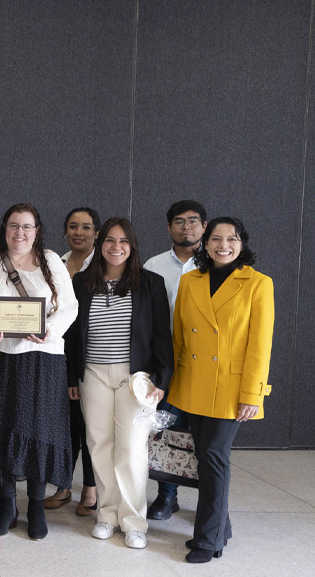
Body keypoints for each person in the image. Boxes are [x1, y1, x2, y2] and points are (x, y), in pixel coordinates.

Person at [0, 203, 78, 541]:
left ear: (37, 231)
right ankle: (7, 506)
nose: (19, 233)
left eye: (27, 227)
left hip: (42, 360)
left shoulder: (53, 262)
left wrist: (49, 330)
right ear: (5, 228)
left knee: (38, 432)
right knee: (2, 429)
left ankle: (36, 507)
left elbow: (69, 307)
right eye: (14, 226)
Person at [167, 217, 274, 564]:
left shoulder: (258, 284)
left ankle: (207, 538)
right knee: (204, 456)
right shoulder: (190, 280)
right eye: (215, 238)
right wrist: (172, 384)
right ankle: (220, 528)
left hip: (230, 388)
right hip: (193, 382)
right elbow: (180, 337)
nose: (223, 245)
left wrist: (253, 394)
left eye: (231, 239)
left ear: (242, 243)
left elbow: (260, 345)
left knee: (214, 457)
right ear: (205, 243)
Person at [63, 217, 173, 549]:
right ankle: (107, 515)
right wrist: (73, 376)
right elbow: (71, 335)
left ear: (133, 246)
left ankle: (134, 521)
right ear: (101, 243)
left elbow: (162, 337)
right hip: (93, 373)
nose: (116, 247)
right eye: (110, 240)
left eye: (124, 241)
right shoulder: (82, 282)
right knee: (98, 444)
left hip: (135, 377)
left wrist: (162, 380)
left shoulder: (150, 283)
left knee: (131, 449)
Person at [142, 199, 208, 520]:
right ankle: (167, 495)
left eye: (193, 221)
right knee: (165, 428)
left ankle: (211, 499)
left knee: (206, 433)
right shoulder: (152, 266)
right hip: (165, 360)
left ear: (204, 227)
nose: (186, 227)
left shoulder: (217, 265)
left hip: (205, 362)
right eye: (179, 221)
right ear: (168, 227)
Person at [46, 207, 101, 516]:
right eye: (72, 226)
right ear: (65, 231)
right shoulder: (56, 263)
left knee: (89, 425)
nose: (79, 232)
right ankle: (63, 484)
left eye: (86, 227)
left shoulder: (105, 265)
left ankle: (91, 489)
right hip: (55, 352)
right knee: (64, 425)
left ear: (96, 232)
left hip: (90, 355)